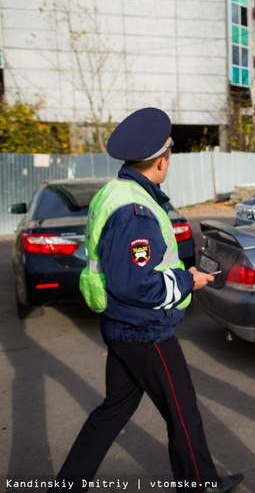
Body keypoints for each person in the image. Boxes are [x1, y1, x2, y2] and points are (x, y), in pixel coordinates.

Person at [49, 108, 243, 493]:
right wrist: (187, 281)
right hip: (144, 330)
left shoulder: (114, 191)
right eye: (169, 156)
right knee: (183, 414)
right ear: (160, 161)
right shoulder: (135, 211)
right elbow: (135, 284)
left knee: (113, 411)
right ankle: (200, 486)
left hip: (120, 327)